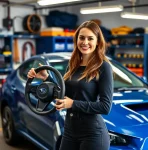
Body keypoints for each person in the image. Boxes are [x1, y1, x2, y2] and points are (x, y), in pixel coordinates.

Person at [27, 20, 113, 150]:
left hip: (92, 133)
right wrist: (46, 77)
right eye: (81, 37)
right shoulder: (73, 65)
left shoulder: (103, 67)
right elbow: (63, 94)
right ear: (76, 40)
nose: (85, 42)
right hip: (70, 130)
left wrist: (73, 104)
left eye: (90, 38)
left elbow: (105, 107)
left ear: (97, 42)